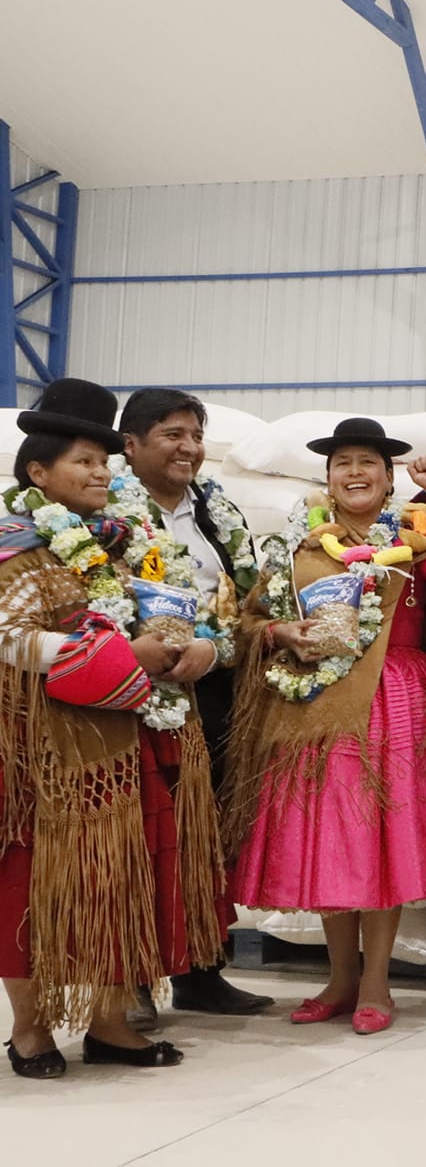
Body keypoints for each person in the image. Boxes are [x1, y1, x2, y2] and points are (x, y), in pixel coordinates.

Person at [2, 378, 224, 1077]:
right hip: (44, 750)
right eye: (82, 462)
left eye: (105, 461)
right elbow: (8, 638)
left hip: (126, 742)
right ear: (38, 472)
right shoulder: (16, 547)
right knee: (34, 886)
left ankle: (108, 1021)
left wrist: (197, 647)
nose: (100, 472)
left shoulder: (126, 544)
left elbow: (174, 615)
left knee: (121, 879)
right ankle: (32, 1029)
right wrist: (112, 655)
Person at [230, 418, 426, 1035]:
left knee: (380, 836)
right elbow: (255, 617)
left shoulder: (412, 538)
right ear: (329, 478)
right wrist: (281, 633)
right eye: (343, 464)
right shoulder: (302, 545)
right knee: (331, 840)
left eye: (369, 462)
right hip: (317, 702)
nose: (356, 473)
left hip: (393, 701)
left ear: (390, 477)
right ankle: (338, 980)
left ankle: (375, 983)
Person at [113, 387, 274, 1018]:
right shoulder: (108, 510)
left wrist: (217, 649)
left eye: (196, 435)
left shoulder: (214, 510)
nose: (189, 448)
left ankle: (203, 968)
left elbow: (244, 598)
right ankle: (129, 981)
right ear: (130, 445)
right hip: (137, 693)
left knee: (209, 834)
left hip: (212, 689)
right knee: (147, 834)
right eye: (172, 435)